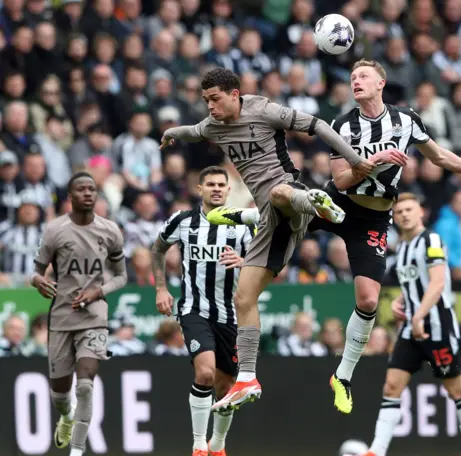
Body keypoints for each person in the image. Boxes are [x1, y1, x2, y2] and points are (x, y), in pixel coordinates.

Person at [209, 60, 461, 415]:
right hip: (336, 203)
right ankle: (249, 216)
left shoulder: (406, 120)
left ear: (381, 83)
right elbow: (340, 180)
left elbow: (440, 156)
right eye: (352, 77)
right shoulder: (343, 125)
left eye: (363, 76)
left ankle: (342, 376)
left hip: (373, 217)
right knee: (285, 214)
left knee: (369, 300)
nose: (356, 81)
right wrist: (375, 159)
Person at [159, 68, 402, 412]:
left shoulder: (264, 110)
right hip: (271, 223)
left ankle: (316, 202)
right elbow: (194, 132)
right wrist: (171, 133)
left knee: (278, 192)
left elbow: (317, 125)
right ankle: (247, 377)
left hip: (290, 193)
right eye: (206, 101)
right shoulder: (213, 125)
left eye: (215, 99)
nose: (210, 107)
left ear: (234, 94)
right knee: (243, 297)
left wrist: (354, 160)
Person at [342, 193, 461, 456]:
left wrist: (418, 315)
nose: (404, 214)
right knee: (391, 387)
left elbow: (438, 283)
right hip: (411, 327)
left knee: (456, 389)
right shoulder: (403, 248)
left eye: (409, 209)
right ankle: (376, 454)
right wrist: (401, 304)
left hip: (436, 326)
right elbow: (414, 287)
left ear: (421, 213)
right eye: (400, 211)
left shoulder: (430, 240)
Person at [151, 165, 252, 456]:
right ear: (200, 189)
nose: (217, 189)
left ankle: (217, 445)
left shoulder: (243, 226)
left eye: (222, 184)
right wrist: (161, 287)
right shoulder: (183, 221)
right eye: (211, 184)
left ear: (228, 189)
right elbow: (157, 248)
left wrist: (245, 262)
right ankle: (198, 447)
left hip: (231, 316)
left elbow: (269, 268)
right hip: (195, 310)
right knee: (205, 373)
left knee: (228, 388)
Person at [30, 172, 127, 456]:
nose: (88, 193)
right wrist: (40, 282)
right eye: (81, 189)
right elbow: (35, 272)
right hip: (60, 318)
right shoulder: (54, 229)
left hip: (94, 316)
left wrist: (99, 291)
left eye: (92, 189)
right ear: (70, 196)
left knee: (85, 384)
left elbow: (122, 276)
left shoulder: (110, 230)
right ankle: (66, 416)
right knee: (60, 394)